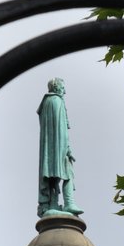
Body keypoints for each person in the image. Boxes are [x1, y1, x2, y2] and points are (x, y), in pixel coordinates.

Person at [37, 77, 82, 217]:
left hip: (53, 148)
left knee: (54, 174)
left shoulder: (48, 102)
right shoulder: (56, 101)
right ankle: (68, 203)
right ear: (56, 87)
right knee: (64, 171)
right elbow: (61, 130)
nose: (65, 91)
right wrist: (66, 149)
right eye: (63, 87)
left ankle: (54, 203)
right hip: (58, 148)